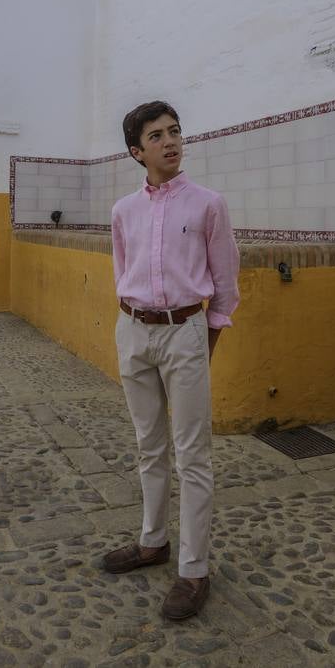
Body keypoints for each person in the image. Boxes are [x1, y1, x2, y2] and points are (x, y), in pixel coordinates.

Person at [102, 100, 240, 621]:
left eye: (175, 132)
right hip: (133, 330)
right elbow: (124, 269)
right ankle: (152, 541)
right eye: (157, 136)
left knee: (193, 454)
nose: (170, 141)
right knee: (148, 445)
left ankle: (193, 570)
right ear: (137, 151)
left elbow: (225, 286)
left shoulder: (208, 204)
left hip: (186, 329)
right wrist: (130, 326)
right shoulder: (123, 211)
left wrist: (203, 343)